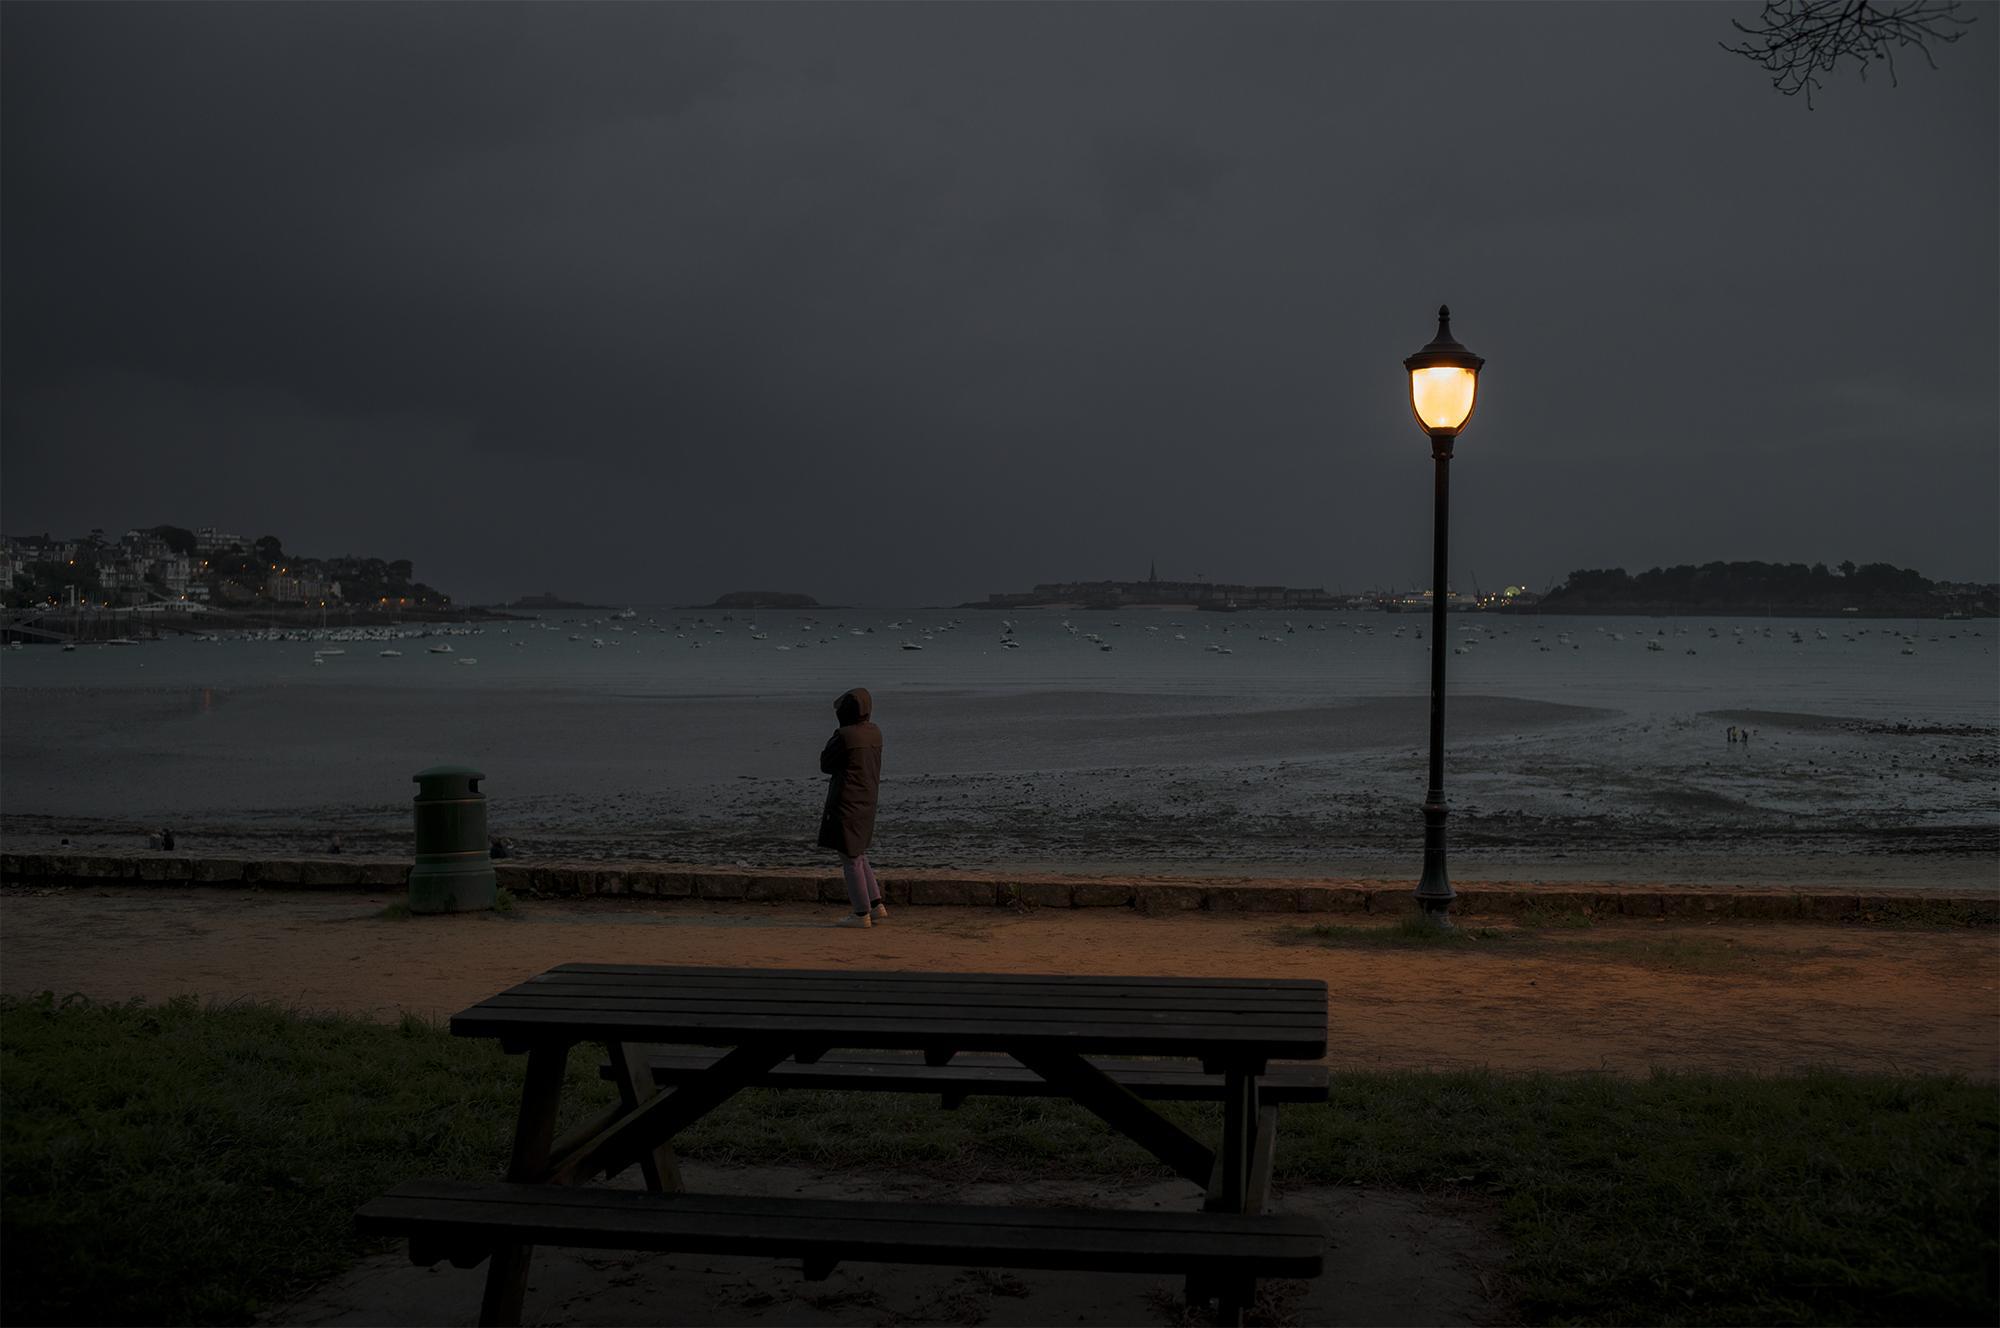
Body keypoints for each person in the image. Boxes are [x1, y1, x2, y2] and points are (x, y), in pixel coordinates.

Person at [818, 687, 885, 927]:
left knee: (850, 857)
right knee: (858, 852)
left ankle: (861, 913)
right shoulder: (874, 732)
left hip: (846, 801)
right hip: (867, 798)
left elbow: (826, 763)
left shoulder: (845, 736)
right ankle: (876, 905)